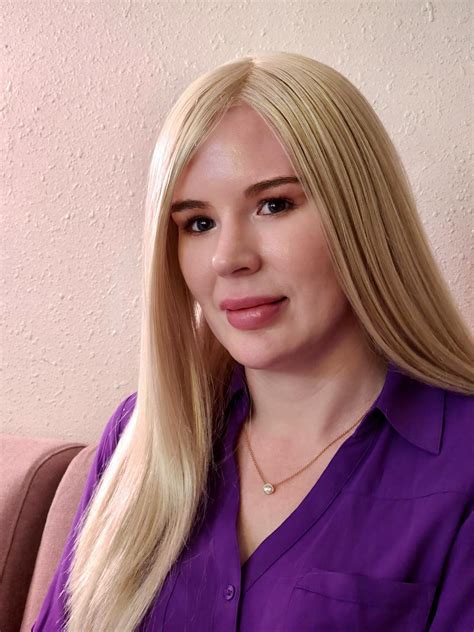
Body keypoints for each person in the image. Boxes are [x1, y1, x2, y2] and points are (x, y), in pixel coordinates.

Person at [33, 51, 473, 632]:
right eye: (198, 222)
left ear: (362, 217)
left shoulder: (463, 461)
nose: (228, 258)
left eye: (274, 205)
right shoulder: (140, 437)